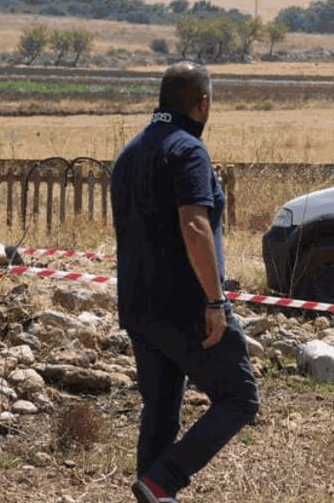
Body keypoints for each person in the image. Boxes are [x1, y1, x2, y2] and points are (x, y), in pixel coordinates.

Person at [111, 62, 260, 503]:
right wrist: (215, 302)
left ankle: (154, 492)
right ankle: (165, 480)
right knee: (239, 398)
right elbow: (194, 225)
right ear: (203, 103)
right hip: (186, 306)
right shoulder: (188, 150)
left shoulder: (130, 153)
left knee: (161, 410)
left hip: (138, 304)